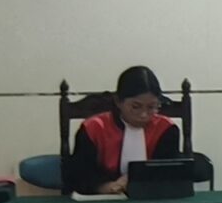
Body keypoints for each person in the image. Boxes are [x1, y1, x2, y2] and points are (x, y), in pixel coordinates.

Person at [65, 65, 181, 195]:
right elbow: (79, 174)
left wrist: (138, 180)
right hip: (103, 197)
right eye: (136, 106)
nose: (144, 114)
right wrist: (106, 187)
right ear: (118, 101)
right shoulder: (93, 128)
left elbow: (168, 173)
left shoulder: (166, 129)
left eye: (151, 107)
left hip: (151, 197)